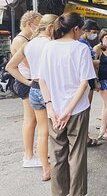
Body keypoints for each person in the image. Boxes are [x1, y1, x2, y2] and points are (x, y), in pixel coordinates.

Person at [39, 12, 96, 196]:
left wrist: (50, 107)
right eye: (81, 30)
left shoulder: (49, 48)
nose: (82, 34)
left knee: (57, 155)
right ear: (76, 28)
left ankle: (59, 193)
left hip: (54, 110)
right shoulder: (80, 49)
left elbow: (42, 80)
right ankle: (76, 194)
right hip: (77, 110)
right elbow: (84, 83)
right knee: (77, 154)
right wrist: (69, 110)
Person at [6, 14, 57, 181]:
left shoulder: (28, 45)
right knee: (57, 131)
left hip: (34, 89)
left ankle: (45, 169)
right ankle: (61, 165)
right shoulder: (51, 44)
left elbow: (10, 67)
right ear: (50, 28)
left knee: (42, 131)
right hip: (50, 90)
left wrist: (29, 82)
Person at [10, 10, 42, 167]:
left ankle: (32, 153)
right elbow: (30, 63)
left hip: (27, 81)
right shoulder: (21, 41)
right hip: (26, 81)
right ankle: (28, 156)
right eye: (38, 24)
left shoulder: (25, 39)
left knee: (34, 119)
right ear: (29, 24)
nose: (40, 27)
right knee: (30, 119)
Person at [79, 19, 101, 147]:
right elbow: (85, 62)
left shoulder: (86, 42)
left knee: (87, 108)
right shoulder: (80, 43)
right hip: (85, 79)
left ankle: (85, 135)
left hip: (90, 79)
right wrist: (97, 62)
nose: (94, 35)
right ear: (85, 30)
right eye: (93, 32)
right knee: (84, 108)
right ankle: (84, 137)